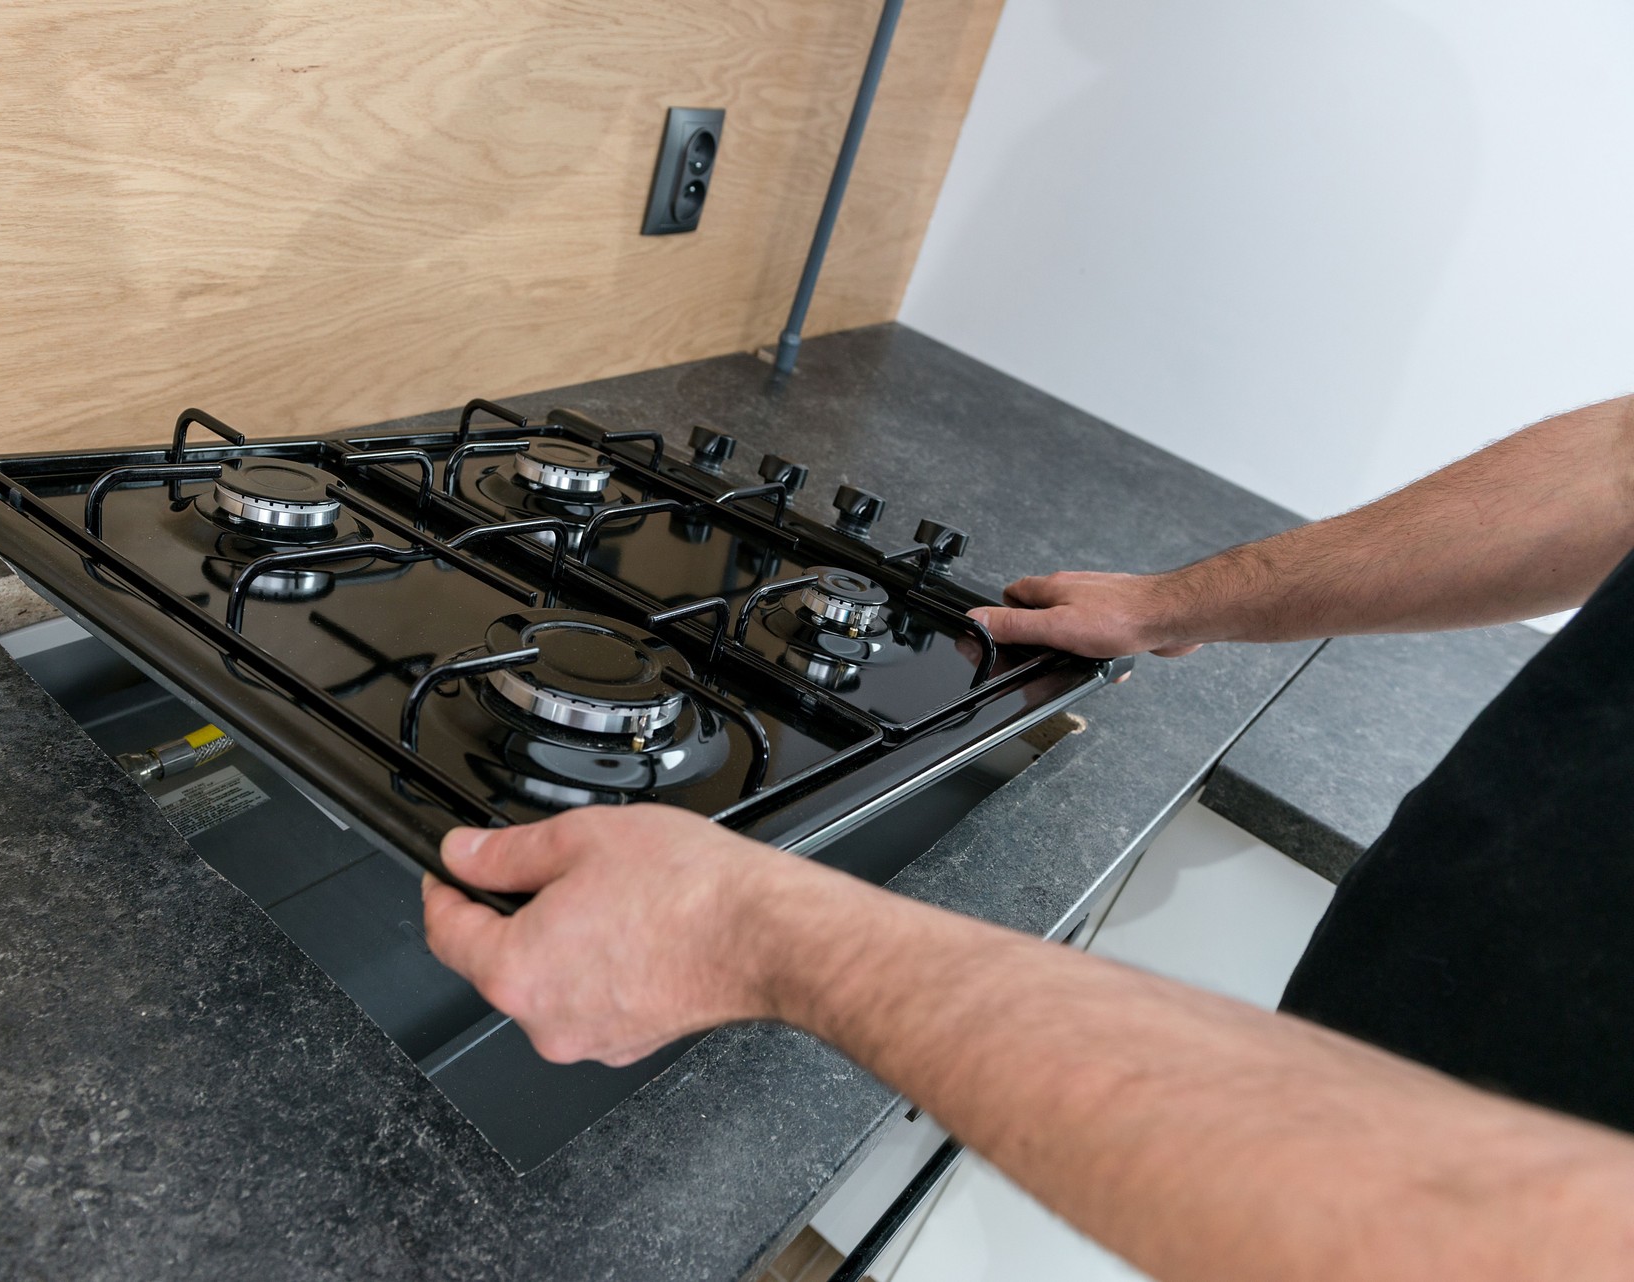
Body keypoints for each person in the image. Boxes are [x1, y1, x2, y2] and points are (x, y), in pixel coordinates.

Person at [421, 395, 1634, 1280]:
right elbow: (1622, 463)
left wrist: (751, 928)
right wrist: (1175, 603)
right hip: (1389, 1015)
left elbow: (1508, 1235)